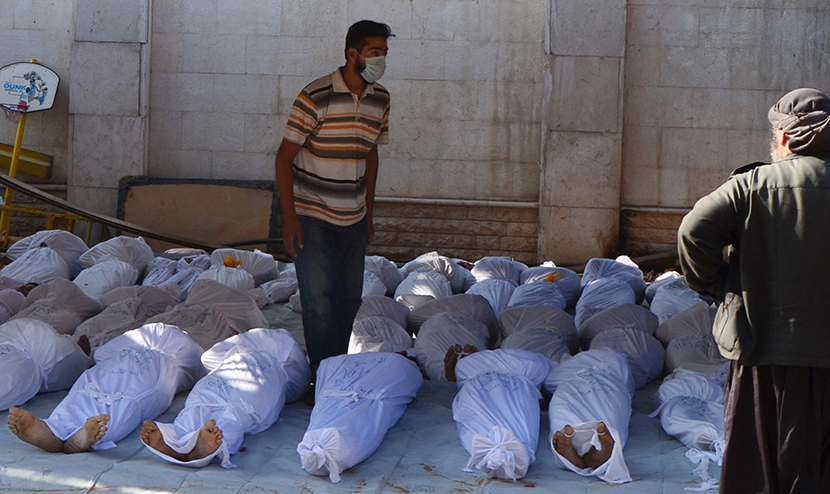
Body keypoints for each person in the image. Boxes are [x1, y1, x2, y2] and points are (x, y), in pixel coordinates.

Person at [677, 88, 830, 493]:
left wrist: (717, 284)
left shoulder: (753, 185)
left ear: (783, 137)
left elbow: (694, 230)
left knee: (758, 470)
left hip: (762, 355)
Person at [275, 20, 393, 399]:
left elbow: (371, 154)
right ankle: (323, 380)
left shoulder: (380, 99)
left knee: (348, 300)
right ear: (352, 53)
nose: (380, 59)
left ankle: (335, 371)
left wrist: (368, 213)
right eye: (374, 52)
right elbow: (284, 158)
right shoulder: (315, 96)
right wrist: (290, 218)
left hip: (353, 217)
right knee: (319, 302)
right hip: (312, 217)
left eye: (384, 53)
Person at [7, 323, 204, 454]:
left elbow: (195, 369)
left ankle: (80, 435)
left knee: (122, 400)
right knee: (86, 393)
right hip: (111, 372)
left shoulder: (177, 354)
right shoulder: (157, 342)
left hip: (141, 375)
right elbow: (102, 354)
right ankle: (52, 430)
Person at [140, 328, 311, 468]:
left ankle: (176, 441)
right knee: (233, 416)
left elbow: (208, 358)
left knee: (199, 406)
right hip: (253, 385)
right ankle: (201, 448)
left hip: (219, 381)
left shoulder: (272, 346)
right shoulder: (286, 352)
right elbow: (300, 384)